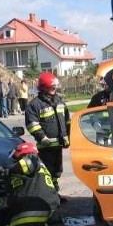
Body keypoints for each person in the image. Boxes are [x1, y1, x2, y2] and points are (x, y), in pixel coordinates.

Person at [0, 141, 60, 226]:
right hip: (51, 211)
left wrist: (5, 171)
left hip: (31, 212)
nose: (16, 161)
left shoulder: (32, 158)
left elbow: (27, 164)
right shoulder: (42, 169)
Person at [25, 72, 70, 203]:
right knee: (48, 172)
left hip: (58, 145)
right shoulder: (35, 105)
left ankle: (55, 195)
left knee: (57, 172)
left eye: (55, 86)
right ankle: (48, 197)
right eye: (52, 87)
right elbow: (32, 124)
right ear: (44, 87)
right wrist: (42, 137)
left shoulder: (59, 101)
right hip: (46, 146)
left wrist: (69, 137)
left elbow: (67, 121)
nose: (54, 89)